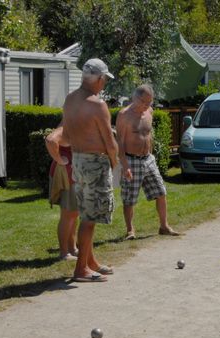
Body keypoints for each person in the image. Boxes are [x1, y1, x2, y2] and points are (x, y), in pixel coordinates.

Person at [63, 58, 118, 282]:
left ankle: (90, 261)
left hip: (77, 160)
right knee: (90, 217)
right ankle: (81, 270)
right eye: (104, 79)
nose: (104, 83)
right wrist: (115, 162)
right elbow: (109, 141)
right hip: (95, 162)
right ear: (98, 78)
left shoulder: (70, 99)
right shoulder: (97, 105)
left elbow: (66, 135)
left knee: (86, 212)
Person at [116, 84, 180, 240]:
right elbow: (120, 142)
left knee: (161, 192)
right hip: (131, 160)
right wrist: (125, 165)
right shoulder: (124, 115)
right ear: (135, 98)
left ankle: (164, 226)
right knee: (129, 198)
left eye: (149, 103)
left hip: (148, 159)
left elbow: (148, 134)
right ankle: (130, 230)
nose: (147, 106)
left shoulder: (149, 112)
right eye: (144, 102)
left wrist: (150, 154)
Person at [45, 126, 79, 261]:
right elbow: (50, 140)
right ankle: (64, 252)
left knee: (74, 213)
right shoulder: (67, 126)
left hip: (72, 172)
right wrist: (60, 160)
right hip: (67, 174)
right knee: (68, 214)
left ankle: (72, 248)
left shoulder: (74, 124)